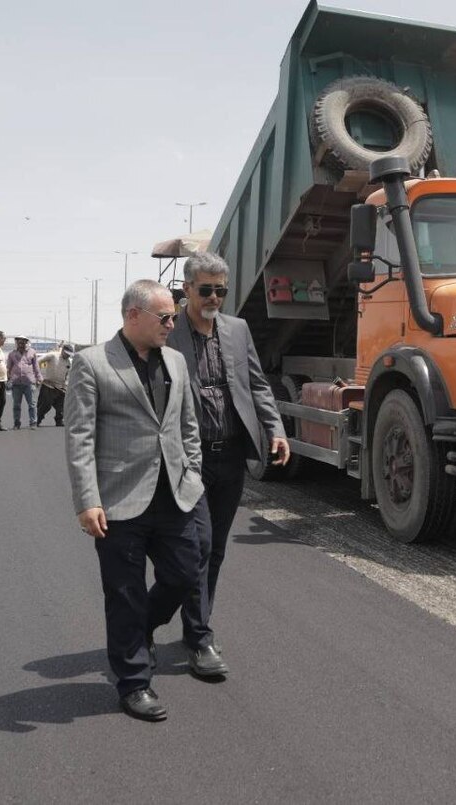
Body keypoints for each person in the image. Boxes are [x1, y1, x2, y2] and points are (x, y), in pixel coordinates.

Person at [65, 279, 205, 722]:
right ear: (132, 316)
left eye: (173, 317)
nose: (172, 323)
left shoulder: (177, 362)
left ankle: (142, 629)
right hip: (118, 500)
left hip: (174, 495)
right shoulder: (92, 364)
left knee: (184, 574)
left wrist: (193, 472)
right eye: (164, 317)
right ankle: (134, 682)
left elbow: (186, 425)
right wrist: (88, 500)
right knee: (123, 594)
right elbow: (80, 437)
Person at [165, 251, 288, 678]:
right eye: (206, 290)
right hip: (187, 459)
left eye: (221, 290)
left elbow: (256, 383)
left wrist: (275, 429)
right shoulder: (168, 332)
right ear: (187, 290)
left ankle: (194, 627)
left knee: (214, 549)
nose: (214, 297)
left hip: (231, 455)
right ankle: (199, 638)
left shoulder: (237, 329)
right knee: (194, 549)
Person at [5, 335, 42, 429]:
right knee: (16, 405)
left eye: (23, 342)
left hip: (29, 383)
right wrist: (8, 380)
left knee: (32, 404)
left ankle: (33, 422)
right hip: (16, 383)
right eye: (19, 342)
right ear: (17, 343)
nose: (21, 344)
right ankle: (17, 423)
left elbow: (36, 367)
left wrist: (39, 378)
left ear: (26, 343)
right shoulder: (12, 354)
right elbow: (8, 368)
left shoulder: (32, 352)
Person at [36, 342, 73, 426]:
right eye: (67, 353)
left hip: (61, 387)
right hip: (48, 385)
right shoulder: (53, 355)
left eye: (69, 354)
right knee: (45, 405)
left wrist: (66, 385)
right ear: (63, 350)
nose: (68, 356)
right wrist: (39, 376)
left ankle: (59, 420)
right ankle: (38, 420)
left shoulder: (69, 362)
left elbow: (68, 375)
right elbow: (37, 361)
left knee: (62, 406)